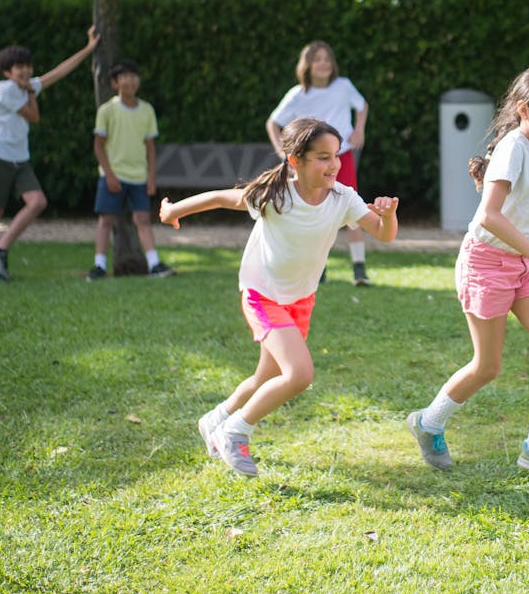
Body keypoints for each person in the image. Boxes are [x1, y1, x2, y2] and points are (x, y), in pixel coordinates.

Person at [160, 117, 399, 478]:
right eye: (322, 157)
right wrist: (174, 210)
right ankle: (235, 432)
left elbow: (384, 234)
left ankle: (216, 419)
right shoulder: (275, 195)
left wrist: (390, 215)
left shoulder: (342, 198)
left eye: (335, 155)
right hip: (261, 294)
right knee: (299, 373)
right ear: (295, 161)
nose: (333, 164)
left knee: (264, 378)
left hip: (299, 300)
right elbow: (221, 198)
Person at [406, 66, 529, 477]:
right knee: (487, 366)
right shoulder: (512, 147)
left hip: (523, 264)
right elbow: (489, 216)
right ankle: (428, 422)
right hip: (486, 263)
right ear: (524, 109)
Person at [0, 26, 100, 282]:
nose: (24, 70)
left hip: (19, 159)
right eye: (17, 66)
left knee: (38, 202)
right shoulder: (6, 90)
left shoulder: (29, 86)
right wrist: (32, 90)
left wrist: (88, 49)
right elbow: (34, 117)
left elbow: (60, 72)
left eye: (26, 65)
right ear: (7, 72)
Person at [266, 40, 373, 286]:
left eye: (327, 59)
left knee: (353, 208)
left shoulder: (344, 86)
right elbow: (272, 122)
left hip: (342, 156)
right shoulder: (298, 94)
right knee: (316, 210)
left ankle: (359, 268)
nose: (323, 64)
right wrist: (282, 151)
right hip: (312, 162)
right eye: (317, 60)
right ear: (308, 65)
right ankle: (318, 268)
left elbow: (362, 106)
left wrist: (359, 130)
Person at [88, 59, 174, 280]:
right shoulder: (106, 110)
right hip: (113, 176)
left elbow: (151, 149)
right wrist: (109, 175)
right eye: (124, 76)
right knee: (106, 220)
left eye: (134, 76)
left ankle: (154, 264)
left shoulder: (147, 110)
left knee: (143, 220)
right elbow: (98, 146)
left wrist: (151, 178)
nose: (130, 81)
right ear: (115, 83)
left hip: (139, 177)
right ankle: (99, 266)